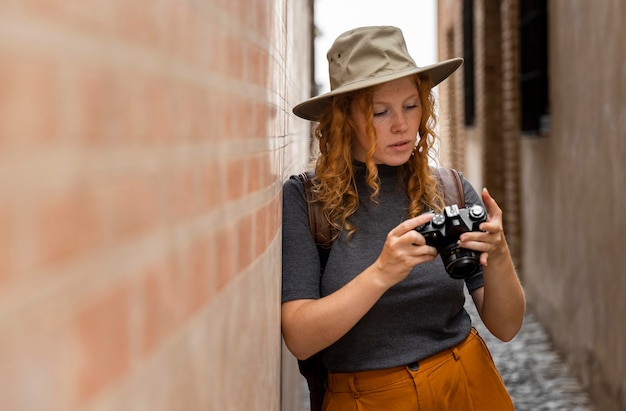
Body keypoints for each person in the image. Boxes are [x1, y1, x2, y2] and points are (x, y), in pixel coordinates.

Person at [282, 26, 525, 410]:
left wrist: (499, 251)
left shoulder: (449, 188)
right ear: (344, 119)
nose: (402, 125)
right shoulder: (307, 200)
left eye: (411, 106)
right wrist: (382, 272)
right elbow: (299, 336)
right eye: (380, 111)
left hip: (469, 385)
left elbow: (507, 326)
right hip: (365, 399)